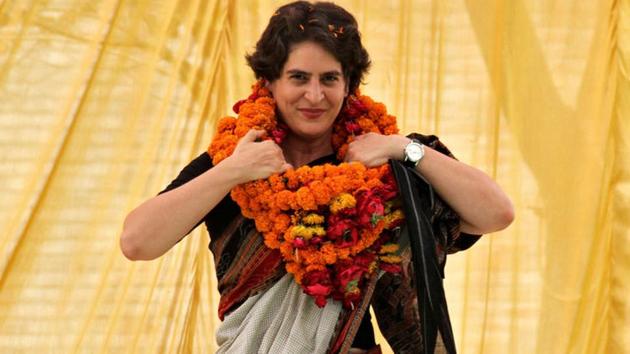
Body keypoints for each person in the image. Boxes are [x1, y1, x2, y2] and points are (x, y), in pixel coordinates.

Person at [120, 1, 514, 353]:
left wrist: (403, 150)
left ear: (349, 85)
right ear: (269, 81)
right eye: (298, 77)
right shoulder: (235, 161)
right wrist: (233, 171)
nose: (314, 95)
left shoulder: (381, 171)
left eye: (329, 79)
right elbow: (137, 242)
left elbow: (496, 213)